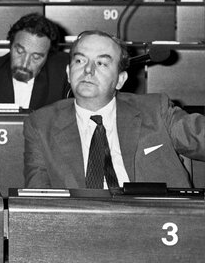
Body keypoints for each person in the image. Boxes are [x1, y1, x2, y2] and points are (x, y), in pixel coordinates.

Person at [24, 31, 205, 189]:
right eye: (80, 60)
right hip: (81, 223)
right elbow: (37, 199)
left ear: (120, 80)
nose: (88, 69)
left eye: (101, 63)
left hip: (157, 221)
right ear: (68, 73)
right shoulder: (41, 124)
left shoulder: (156, 110)